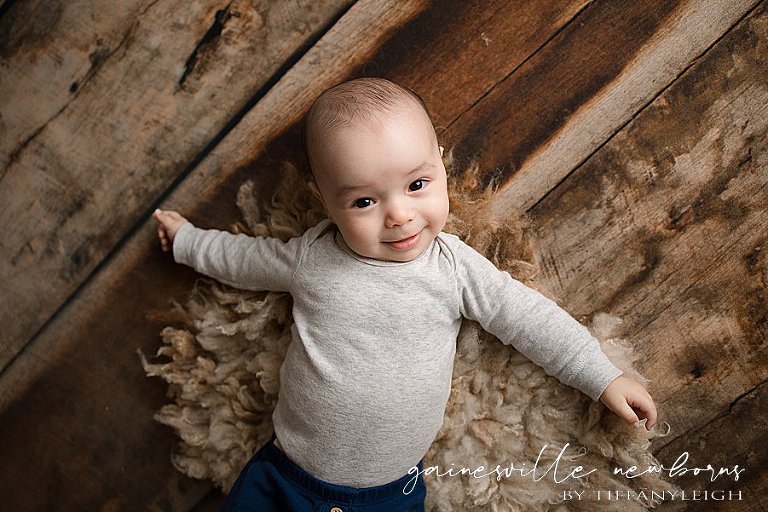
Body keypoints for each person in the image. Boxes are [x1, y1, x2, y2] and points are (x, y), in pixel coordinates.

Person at [153, 77, 657, 512]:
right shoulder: (313, 258)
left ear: (440, 165)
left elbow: (527, 317)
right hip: (284, 478)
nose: (398, 214)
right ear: (326, 201)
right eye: (365, 200)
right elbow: (242, 260)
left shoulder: (453, 267)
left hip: (391, 494)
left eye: (417, 184)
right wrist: (187, 241)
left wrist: (601, 375)